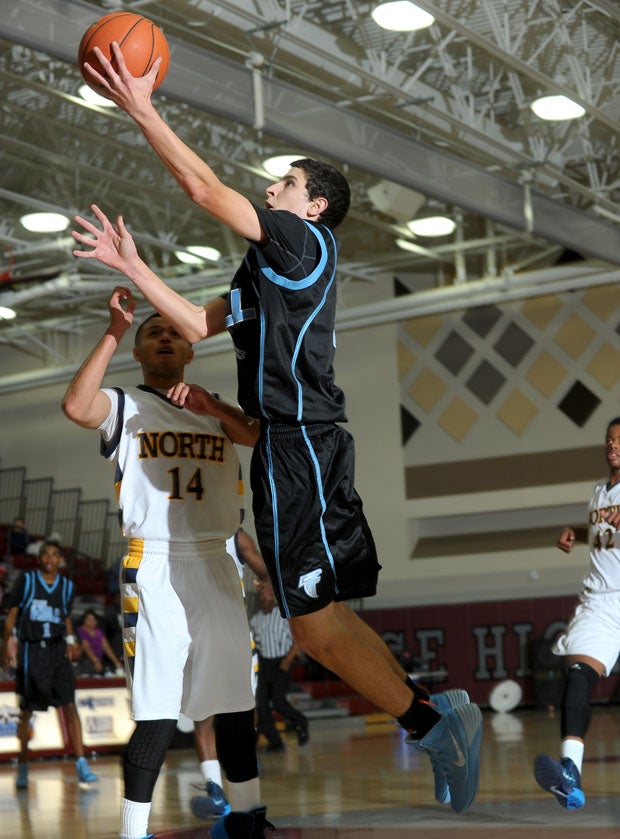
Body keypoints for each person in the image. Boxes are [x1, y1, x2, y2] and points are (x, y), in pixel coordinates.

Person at [74, 43, 483, 817]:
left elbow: (202, 186)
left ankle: (435, 720)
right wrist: (133, 267)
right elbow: (196, 321)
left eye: (286, 182)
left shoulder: (303, 243)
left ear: (315, 205)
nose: (272, 186)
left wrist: (142, 107)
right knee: (317, 623)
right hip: (280, 447)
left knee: (313, 622)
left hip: (306, 442)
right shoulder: (260, 271)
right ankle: (434, 719)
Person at [61, 288, 268, 839]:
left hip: (218, 562)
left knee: (233, 703)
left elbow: (260, 438)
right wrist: (112, 329)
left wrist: (215, 406)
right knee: (155, 709)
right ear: (139, 350)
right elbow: (77, 407)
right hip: (154, 562)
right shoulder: (125, 404)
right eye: (152, 331)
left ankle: (248, 819)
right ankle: (134, 833)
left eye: (173, 330)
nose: (163, 335)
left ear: (191, 349)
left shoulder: (212, 405)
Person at [534, 417, 620, 810]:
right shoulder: (599, 492)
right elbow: (603, 533)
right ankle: (571, 772)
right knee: (578, 677)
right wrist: (576, 531)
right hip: (602, 602)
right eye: (609, 439)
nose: (613, 445)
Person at [0, 539, 98, 790]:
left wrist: (70, 641)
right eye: (46, 554)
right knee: (26, 712)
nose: (50, 559)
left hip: (57, 651)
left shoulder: (67, 587)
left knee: (70, 706)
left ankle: (81, 764)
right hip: (32, 650)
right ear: (39, 558)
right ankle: (22, 765)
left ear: (60, 560)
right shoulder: (27, 580)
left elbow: (65, 617)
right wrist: (5, 644)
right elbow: (11, 615)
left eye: (55, 555)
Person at [191, 526, 269, 821]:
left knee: (247, 712)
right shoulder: (184, 536)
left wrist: (268, 592)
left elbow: (267, 574)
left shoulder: (237, 538)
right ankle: (215, 789)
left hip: (236, 638)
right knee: (203, 717)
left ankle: (244, 772)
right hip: (199, 639)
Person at [250, 579, 308, 753]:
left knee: (278, 702)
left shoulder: (284, 616)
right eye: (261, 595)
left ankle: (300, 721)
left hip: (282, 661)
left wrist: (289, 659)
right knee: (262, 706)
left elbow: (300, 638)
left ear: (273, 597)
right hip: (264, 663)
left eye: (267, 594)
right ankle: (275, 741)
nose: (264, 597)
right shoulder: (255, 619)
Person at [76, 608, 123, 676]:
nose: (91, 622)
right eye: (89, 620)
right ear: (84, 621)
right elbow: (86, 647)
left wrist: (116, 662)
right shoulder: (81, 630)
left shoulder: (98, 631)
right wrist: (95, 661)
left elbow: (106, 648)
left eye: (93, 620)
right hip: (86, 662)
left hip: (99, 661)